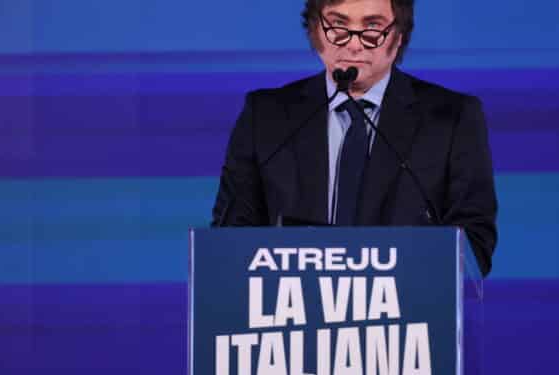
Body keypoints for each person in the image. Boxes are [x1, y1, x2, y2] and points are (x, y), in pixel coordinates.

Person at [211, 0, 498, 275]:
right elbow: (230, 235)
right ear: (315, 30)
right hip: (289, 315)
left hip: (403, 315)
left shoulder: (451, 118)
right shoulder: (265, 116)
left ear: (398, 36)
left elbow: (475, 243)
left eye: (372, 27)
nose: (353, 43)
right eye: (338, 25)